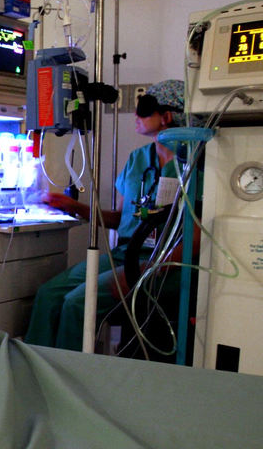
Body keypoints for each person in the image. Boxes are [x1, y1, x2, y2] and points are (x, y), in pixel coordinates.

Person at [23, 79, 193, 351]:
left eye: (144, 109)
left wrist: (152, 268)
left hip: (164, 262)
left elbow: (198, 233)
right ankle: (32, 368)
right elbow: (122, 219)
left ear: (167, 116)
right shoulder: (138, 159)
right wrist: (72, 206)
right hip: (125, 253)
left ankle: (68, 377)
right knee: (49, 294)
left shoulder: (194, 163)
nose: (136, 116)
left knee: (78, 303)